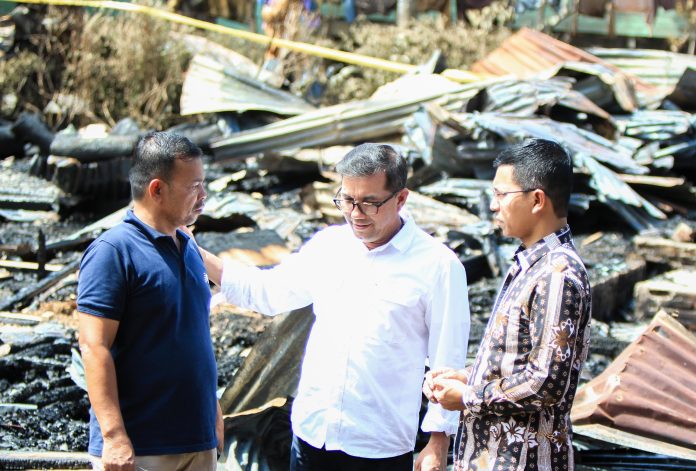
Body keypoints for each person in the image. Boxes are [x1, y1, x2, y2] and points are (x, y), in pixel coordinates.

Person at [192, 143, 470, 470]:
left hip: (377, 445)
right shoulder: (329, 246)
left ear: (401, 198)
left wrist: (439, 440)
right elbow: (268, 293)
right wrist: (195, 251)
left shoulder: (438, 266)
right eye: (347, 200)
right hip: (312, 434)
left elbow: (447, 358)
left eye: (369, 203)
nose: (356, 214)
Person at [423, 138, 592, 471]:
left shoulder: (557, 275)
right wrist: (467, 377)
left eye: (501, 195)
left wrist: (468, 397)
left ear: (537, 200)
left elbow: (545, 383)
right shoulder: (531, 265)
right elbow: (517, 362)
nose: (493, 206)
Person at [77, 131, 223, 471]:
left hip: (196, 441)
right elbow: (94, 346)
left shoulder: (189, 248)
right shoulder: (114, 252)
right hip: (141, 447)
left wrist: (213, 411)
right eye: (194, 186)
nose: (203, 195)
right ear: (156, 190)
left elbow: (194, 335)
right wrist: (114, 436)